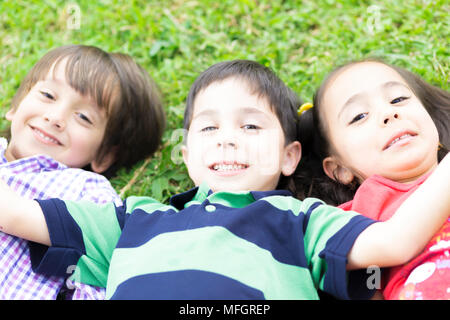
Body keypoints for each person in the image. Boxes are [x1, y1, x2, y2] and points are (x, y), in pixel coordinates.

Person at [0, 59, 448, 300]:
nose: (228, 141)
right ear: (187, 154)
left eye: (251, 127)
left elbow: (393, 243)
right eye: (210, 129)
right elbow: (16, 212)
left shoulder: (301, 220)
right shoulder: (132, 221)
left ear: (290, 156)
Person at [0, 44, 165, 299]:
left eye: (84, 117)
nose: (55, 117)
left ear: (105, 155)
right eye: (47, 95)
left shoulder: (88, 192)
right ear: (16, 105)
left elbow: (101, 280)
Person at [295, 59, 450, 299]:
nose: (389, 113)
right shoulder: (356, 219)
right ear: (339, 169)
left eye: (398, 99)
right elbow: (369, 282)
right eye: (359, 116)